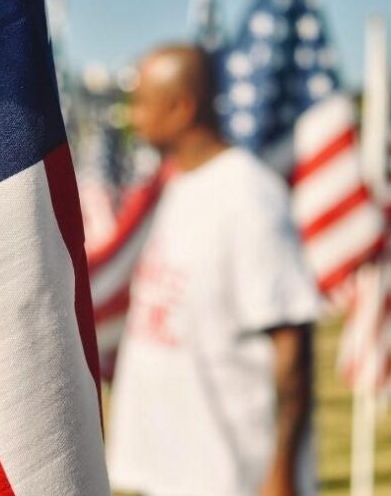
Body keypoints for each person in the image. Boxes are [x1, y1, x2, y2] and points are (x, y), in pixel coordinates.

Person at [106, 43, 320, 496]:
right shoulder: (178, 185)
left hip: (231, 474)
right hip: (174, 468)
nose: (133, 114)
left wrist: (281, 470)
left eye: (142, 101)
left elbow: (292, 346)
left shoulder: (248, 195)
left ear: (182, 107)